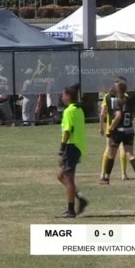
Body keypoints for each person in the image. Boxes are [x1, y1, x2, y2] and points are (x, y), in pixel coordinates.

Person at [102, 82, 135, 185]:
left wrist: (111, 127)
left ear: (118, 90)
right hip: (129, 130)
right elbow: (133, 114)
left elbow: (118, 116)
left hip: (119, 131)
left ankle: (106, 178)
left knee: (112, 154)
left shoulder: (117, 101)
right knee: (130, 154)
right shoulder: (130, 100)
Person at [57, 84, 89, 218]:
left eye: (63, 94)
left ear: (69, 96)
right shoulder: (79, 109)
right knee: (60, 175)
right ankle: (80, 198)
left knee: (68, 179)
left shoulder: (69, 111)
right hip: (77, 147)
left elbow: (67, 131)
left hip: (71, 146)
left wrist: (61, 150)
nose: (62, 97)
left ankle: (71, 210)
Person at [99, 77, 128, 182]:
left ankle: (103, 173)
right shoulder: (125, 96)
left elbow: (102, 114)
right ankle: (123, 174)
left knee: (108, 149)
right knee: (122, 148)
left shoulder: (107, 96)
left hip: (110, 127)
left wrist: (101, 127)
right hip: (121, 127)